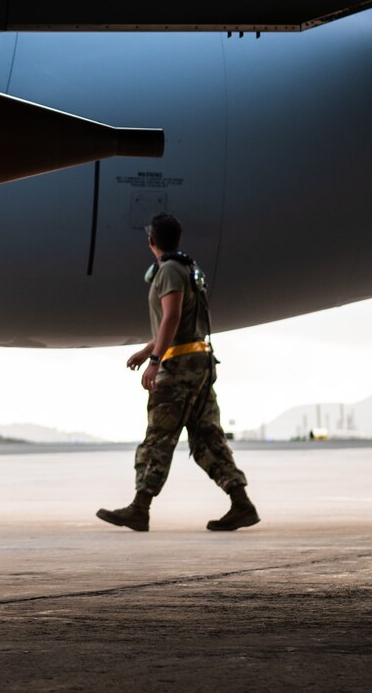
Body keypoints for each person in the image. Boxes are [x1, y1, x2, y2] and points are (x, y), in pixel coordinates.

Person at [96, 213, 258, 533]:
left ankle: (139, 509)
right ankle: (242, 504)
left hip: (180, 366)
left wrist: (155, 360)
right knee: (207, 436)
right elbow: (179, 321)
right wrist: (147, 350)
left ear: (151, 241)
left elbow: (171, 317)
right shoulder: (186, 266)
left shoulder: (169, 269)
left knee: (159, 435)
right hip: (198, 361)